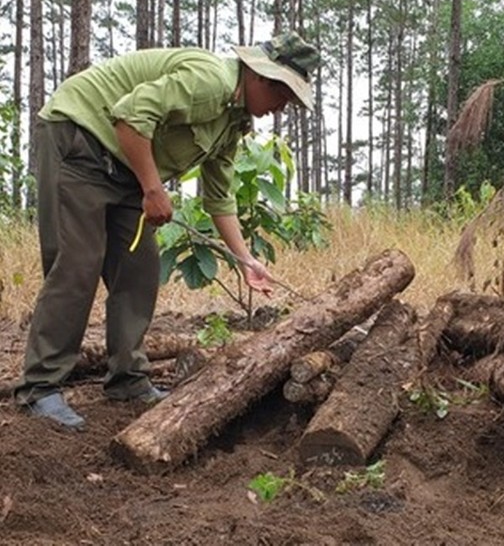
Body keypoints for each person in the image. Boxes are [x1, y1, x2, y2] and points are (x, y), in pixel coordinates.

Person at [14, 31, 321, 429]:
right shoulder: (210, 81)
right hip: (81, 137)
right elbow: (129, 116)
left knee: (139, 269)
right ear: (260, 77)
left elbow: (219, 197)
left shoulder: (234, 121)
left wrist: (244, 259)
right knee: (78, 263)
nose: (282, 108)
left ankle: (127, 378)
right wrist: (153, 189)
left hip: (124, 165)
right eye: (283, 96)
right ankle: (40, 388)